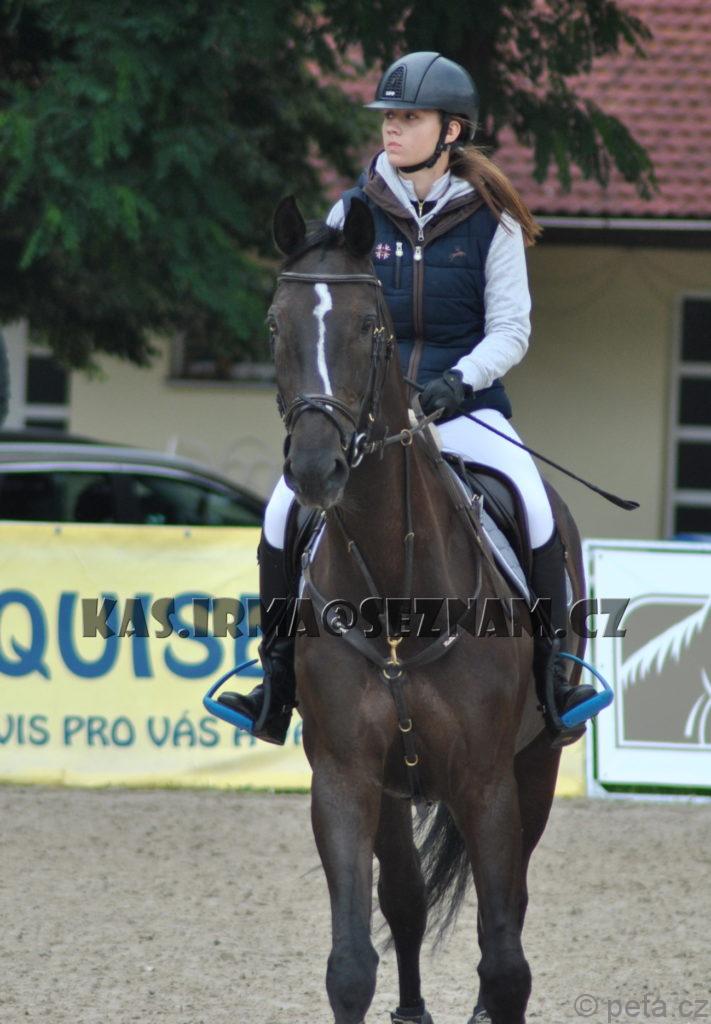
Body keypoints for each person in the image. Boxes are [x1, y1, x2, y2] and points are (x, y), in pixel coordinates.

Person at [218, 51, 597, 745]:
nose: (392, 128)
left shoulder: (491, 219)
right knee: (279, 515)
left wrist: (461, 381)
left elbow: (511, 329)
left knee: (536, 508)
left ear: (451, 131)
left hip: (466, 407)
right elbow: (331, 316)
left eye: (409, 117)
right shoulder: (354, 210)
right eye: (389, 117)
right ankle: (275, 679)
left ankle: (554, 675)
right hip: (369, 415)